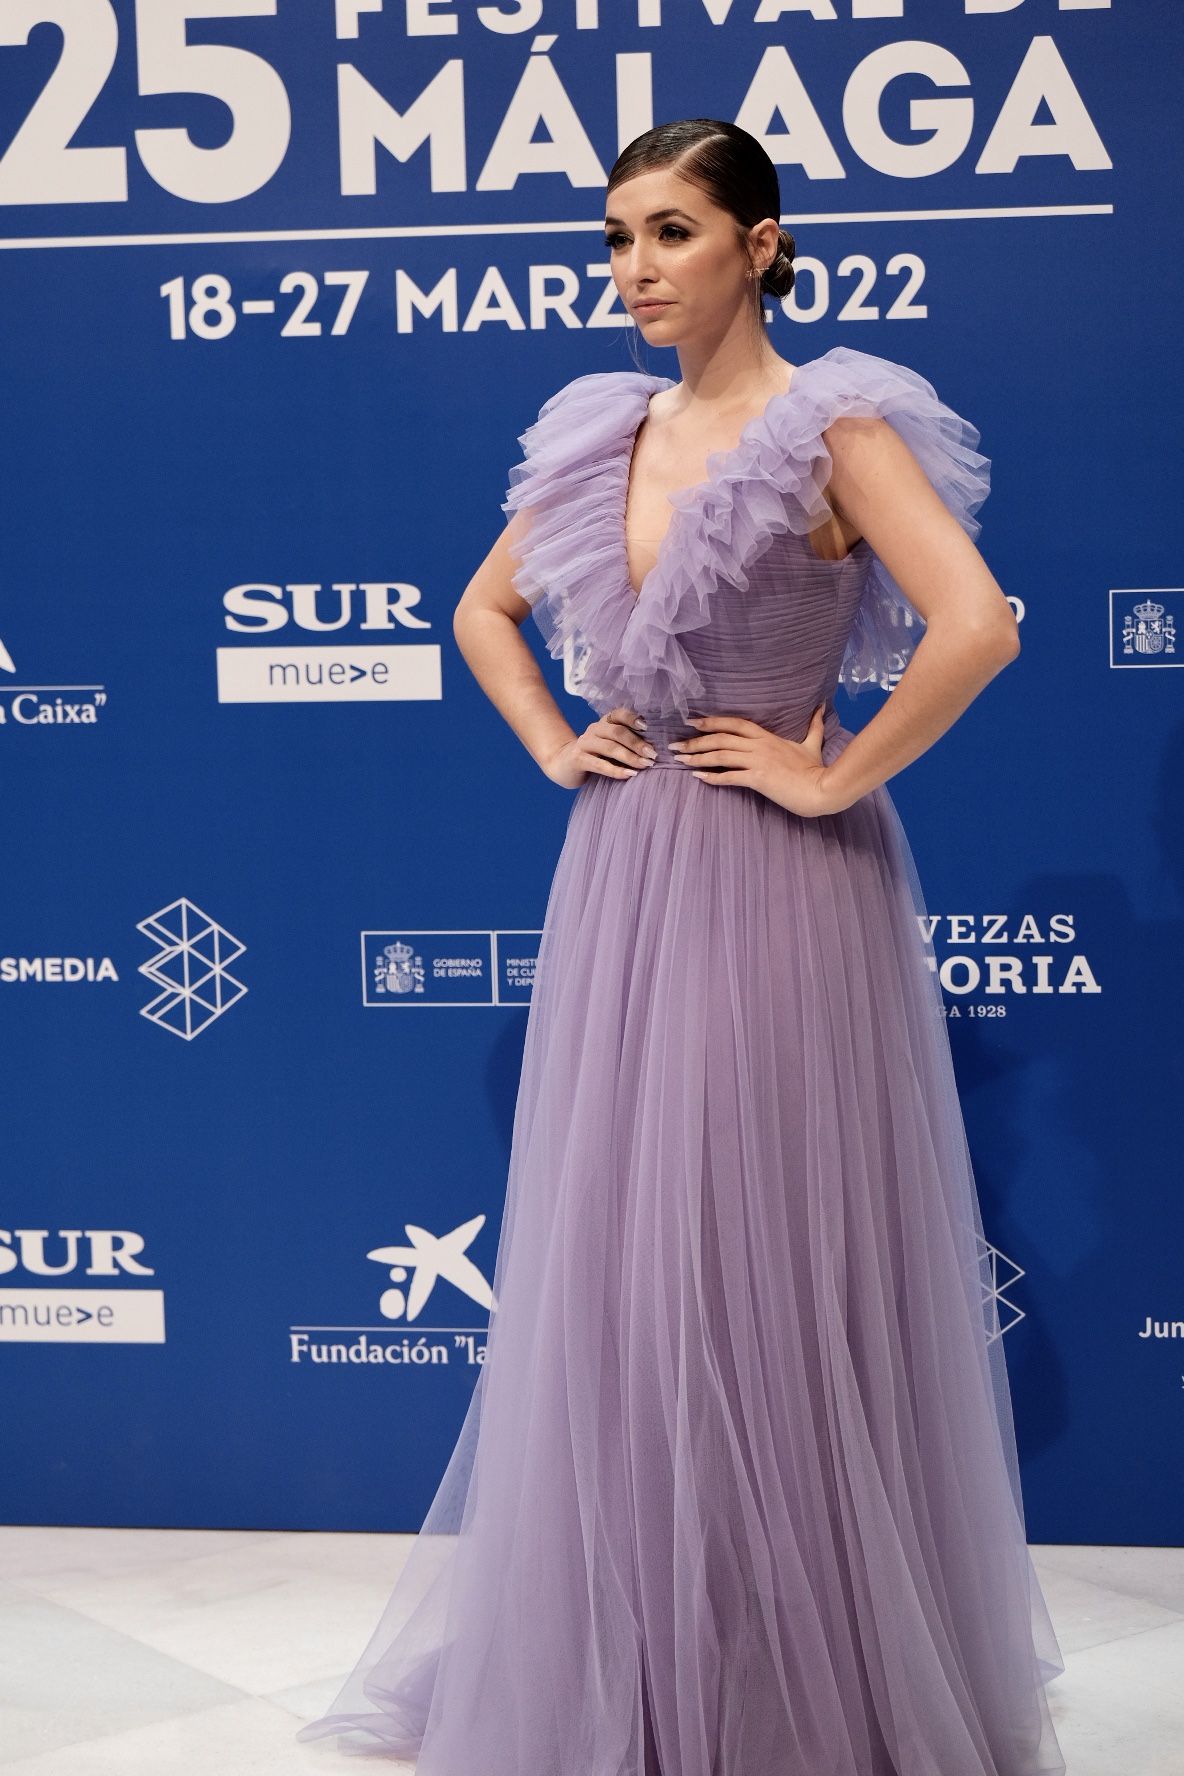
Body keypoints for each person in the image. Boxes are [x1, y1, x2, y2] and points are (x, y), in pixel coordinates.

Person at [296, 118, 1068, 1775]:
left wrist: (832, 768)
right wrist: (548, 741)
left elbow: (980, 622)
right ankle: (652, 1650)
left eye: (669, 233)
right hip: (627, 861)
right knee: (635, 1268)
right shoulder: (598, 434)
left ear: (760, 243)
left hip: (786, 879)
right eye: (616, 240)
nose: (636, 269)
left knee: (758, 1255)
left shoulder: (835, 430)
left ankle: (796, 1679)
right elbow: (481, 611)